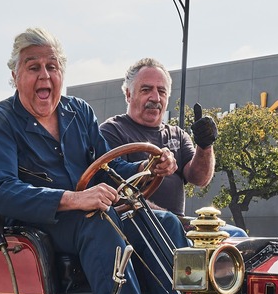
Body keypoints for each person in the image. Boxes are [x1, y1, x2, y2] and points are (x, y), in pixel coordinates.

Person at [0, 28, 183, 294]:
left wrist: (148, 167)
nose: (45, 76)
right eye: (33, 67)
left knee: (162, 221)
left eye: (52, 67)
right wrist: (73, 199)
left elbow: (106, 171)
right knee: (97, 219)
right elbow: (1, 192)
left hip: (89, 213)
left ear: (61, 73)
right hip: (38, 225)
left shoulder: (79, 113)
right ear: (15, 75)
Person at [100, 57, 247, 237]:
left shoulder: (178, 134)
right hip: (134, 223)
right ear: (128, 94)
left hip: (181, 224)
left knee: (237, 236)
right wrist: (149, 169)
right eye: (146, 90)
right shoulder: (112, 131)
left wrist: (205, 145)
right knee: (171, 225)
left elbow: (200, 178)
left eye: (161, 91)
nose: (155, 98)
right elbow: (111, 183)